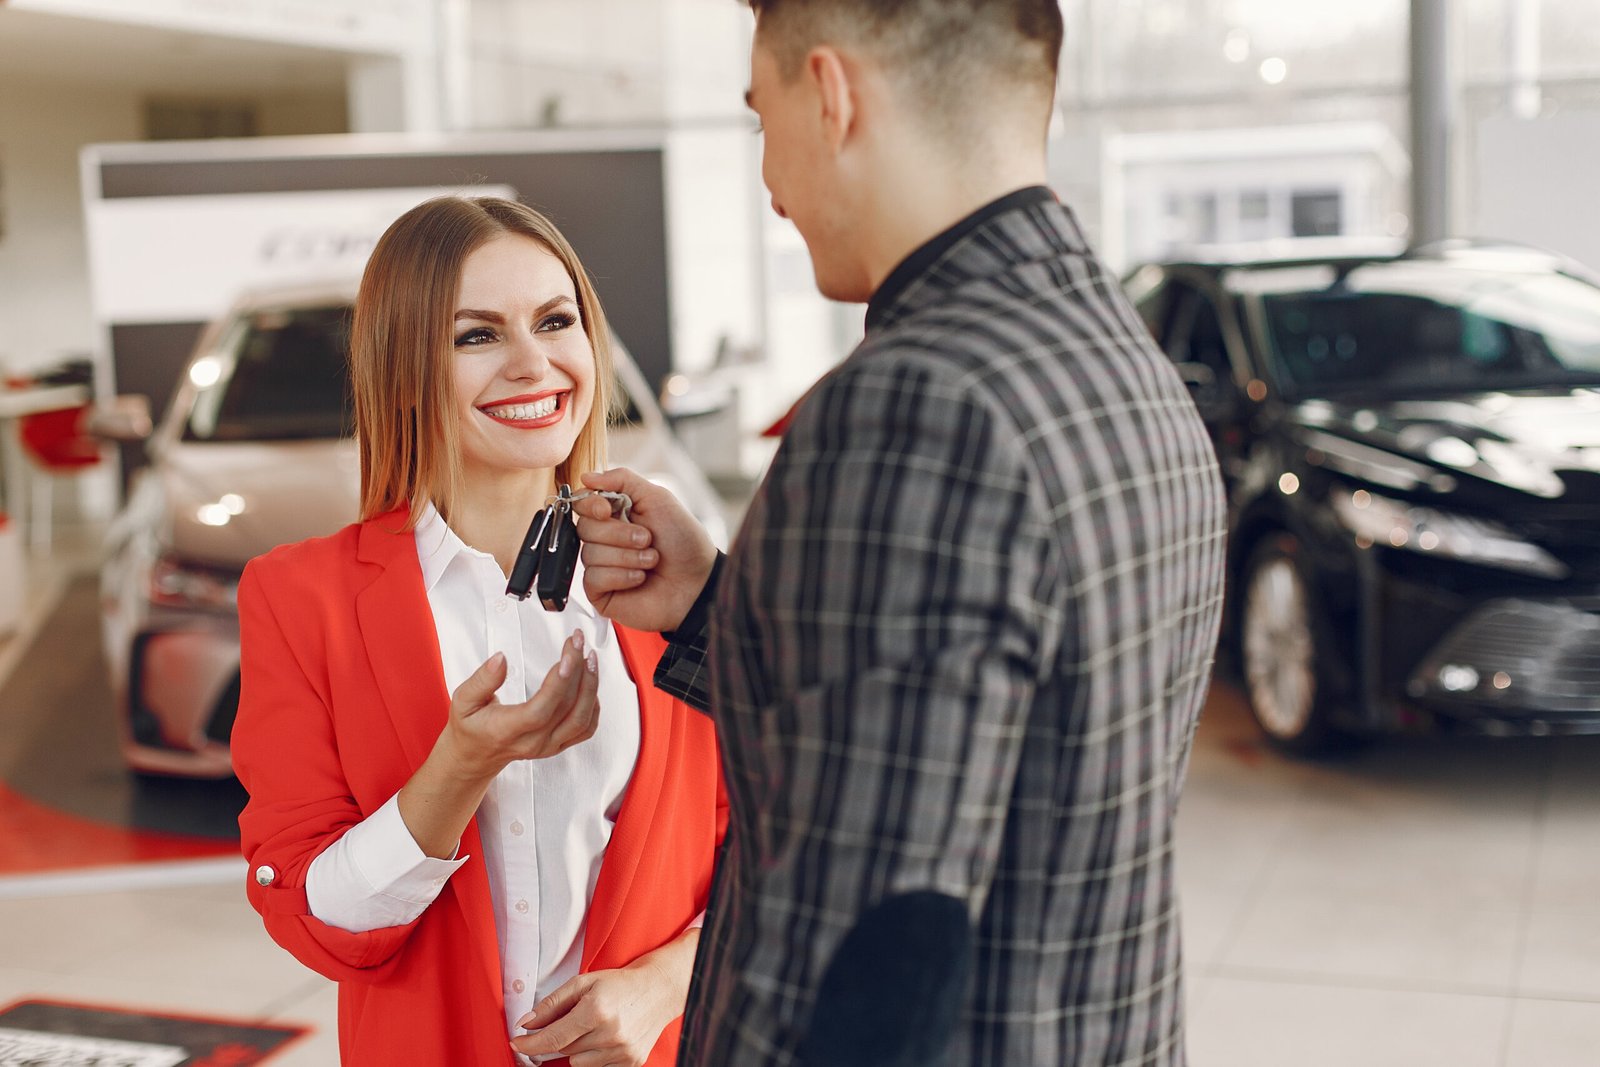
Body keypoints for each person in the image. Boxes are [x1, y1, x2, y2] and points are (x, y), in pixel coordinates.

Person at [574, 1, 1229, 1064]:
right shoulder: (1117, 360)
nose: (767, 176)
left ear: (829, 96)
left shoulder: (914, 403)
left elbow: (851, 969)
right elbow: (1004, 741)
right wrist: (710, 605)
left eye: (760, 117)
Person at [232, 195, 725, 1067]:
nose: (535, 365)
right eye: (477, 336)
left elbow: (782, 854)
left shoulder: (676, 582)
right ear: (403, 367)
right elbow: (316, 920)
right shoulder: (300, 596)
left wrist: (661, 983)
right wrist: (459, 766)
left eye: (555, 321)